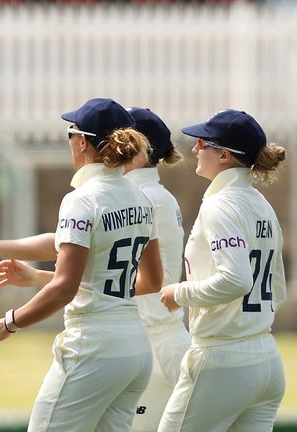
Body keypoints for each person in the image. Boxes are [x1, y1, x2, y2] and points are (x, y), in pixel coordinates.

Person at [0, 106, 189, 431]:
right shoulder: (141, 198)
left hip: (94, 345)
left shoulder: (83, 199)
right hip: (136, 349)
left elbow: (65, 287)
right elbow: (151, 279)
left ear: (83, 142)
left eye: (70, 133)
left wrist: (9, 322)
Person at [158, 109, 286, 432]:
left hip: (223, 358)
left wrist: (179, 293)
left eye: (202, 143)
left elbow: (236, 279)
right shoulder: (262, 206)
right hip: (266, 360)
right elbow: (278, 290)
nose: (194, 149)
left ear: (224, 155)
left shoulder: (220, 205)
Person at [123, 107, 191, 432]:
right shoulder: (155, 195)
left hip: (153, 343)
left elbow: (113, 278)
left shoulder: (140, 197)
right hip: (161, 339)